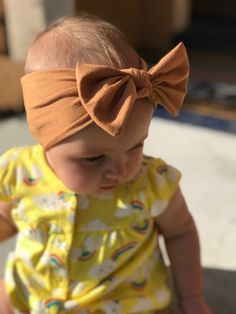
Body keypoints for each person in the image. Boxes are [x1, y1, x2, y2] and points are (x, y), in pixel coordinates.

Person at [0, 14, 211, 314]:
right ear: (44, 137)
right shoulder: (17, 171)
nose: (121, 169)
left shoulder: (152, 182)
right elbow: (9, 219)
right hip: (36, 290)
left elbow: (180, 232)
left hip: (124, 300)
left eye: (136, 145)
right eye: (94, 158)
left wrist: (192, 298)